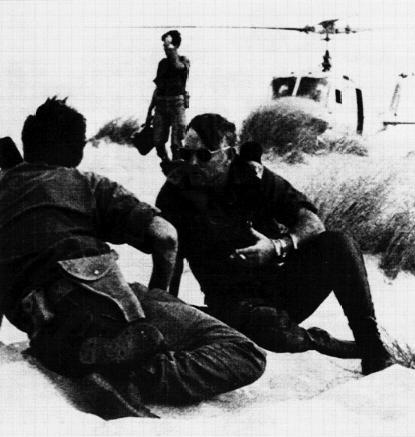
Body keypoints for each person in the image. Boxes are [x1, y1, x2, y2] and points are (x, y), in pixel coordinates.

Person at [0, 99, 266, 405]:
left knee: (82, 328)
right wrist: (158, 293)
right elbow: (166, 237)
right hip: (103, 297)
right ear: (78, 150)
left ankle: (88, 352)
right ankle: (142, 374)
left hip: (42, 321)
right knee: (244, 353)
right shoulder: (86, 184)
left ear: (28, 144)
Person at [156, 113, 393, 376]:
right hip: (230, 303)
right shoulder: (175, 194)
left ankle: (372, 347)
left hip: (277, 288)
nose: (192, 163)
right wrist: (165, 312)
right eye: (186, 153)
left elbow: (312, 222)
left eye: (203, 155)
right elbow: (169, 259)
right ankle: (317, 341)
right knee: (264, 327)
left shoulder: (255, 178)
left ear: (230, 155)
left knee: (338, 244)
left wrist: (277, 246)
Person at [146, 30, 190, 164]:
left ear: (176, 46)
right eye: (164, 46)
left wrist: (171, 50)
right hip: (161, 105)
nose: (165, 49)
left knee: (177, 143)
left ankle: (177, 166)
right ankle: (167, 164)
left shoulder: (183, 60)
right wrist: (149, 110)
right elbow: (158, 88)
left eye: (168, 46)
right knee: (158, 142)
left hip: (177, 104)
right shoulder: (162, 63)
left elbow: (177, 67)